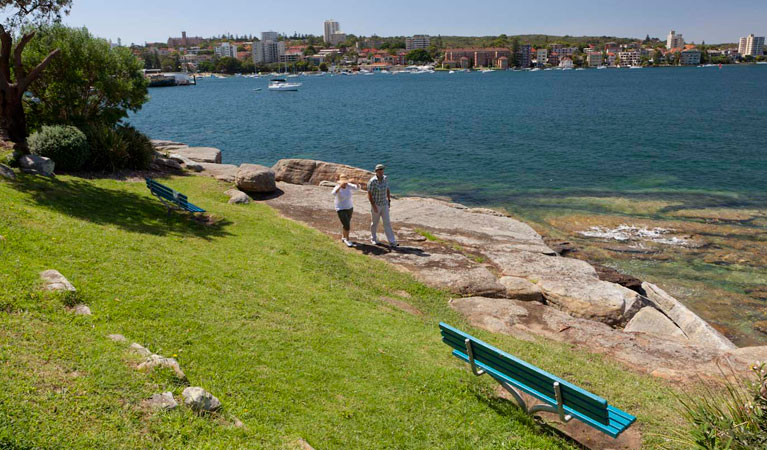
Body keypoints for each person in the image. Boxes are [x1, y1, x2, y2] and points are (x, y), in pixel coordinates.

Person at [367, 164, 397, 248]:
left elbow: (387, 189)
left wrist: (389, 201)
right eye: (379, 170)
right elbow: (369, 194)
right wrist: (374, 206)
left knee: (387, 222)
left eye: (382, 169)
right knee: (375, 223)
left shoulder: (385, 178)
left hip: (384, 204)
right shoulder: (372, 181)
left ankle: (392, 241)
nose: (381, 171)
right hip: (376, 204)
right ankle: (373, 238)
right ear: (376, 171)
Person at [331, 174, 358, 247]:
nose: (345, 183)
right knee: (347, 225)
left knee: (346, 223)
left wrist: (355, 181)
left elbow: (357, 188)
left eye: (346, 182)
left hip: (349, 207)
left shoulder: (349, 185)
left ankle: (343, 237)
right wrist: (340, 186)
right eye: (344, 182)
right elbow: (333, 193)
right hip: (340, 208)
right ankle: (347, 239)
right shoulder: (337, 187)